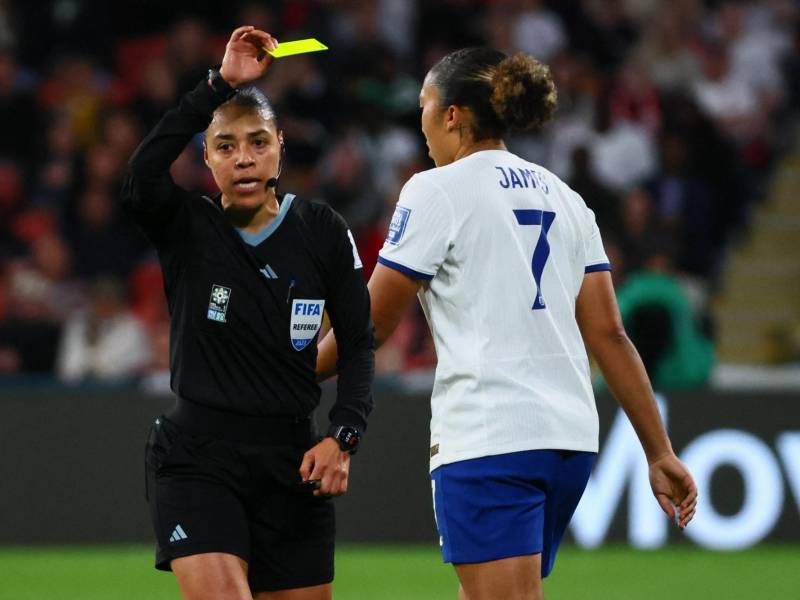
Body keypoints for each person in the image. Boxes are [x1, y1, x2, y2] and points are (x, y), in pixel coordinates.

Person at [316, 47, 697, 600]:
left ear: (452, 115)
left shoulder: (435, 190)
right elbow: (609, 335)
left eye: (424, 104)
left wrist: (296, 372)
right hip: (568, 440)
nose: (419, 121)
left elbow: (369, 323)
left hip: (491, 435)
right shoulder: (567, 199)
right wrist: (659, 451)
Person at [122, 26, 375, 600]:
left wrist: (345, 434)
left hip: (293, 465)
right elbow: (140, 177)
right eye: (227, 145)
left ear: (281, 146)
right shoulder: (187, 225)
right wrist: (217, 86)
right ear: (206, 156)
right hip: (196, 461)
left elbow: (359, 343)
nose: (244, 158)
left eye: (258, 142)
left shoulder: (322, 232)